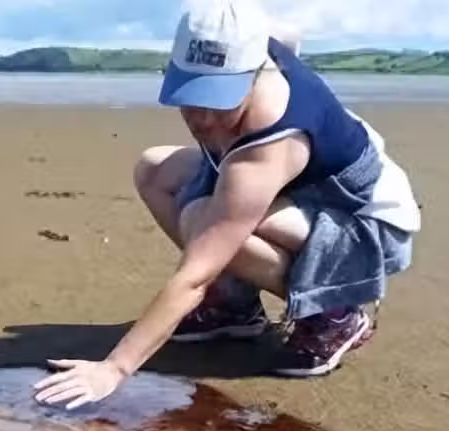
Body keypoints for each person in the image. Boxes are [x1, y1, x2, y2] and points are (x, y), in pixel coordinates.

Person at [33, 0, 422, 409]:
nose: (203, 120)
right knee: (154, 170)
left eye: (220, 100)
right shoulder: (252, 41)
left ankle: (333, 313)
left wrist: (114, 368)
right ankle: (235, 307)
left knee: (203, 219)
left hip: (360, 219)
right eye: (191, 96)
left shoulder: (269, 146)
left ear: (253, 76)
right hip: (292, 191)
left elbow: (195, 277)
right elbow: (286, 33)